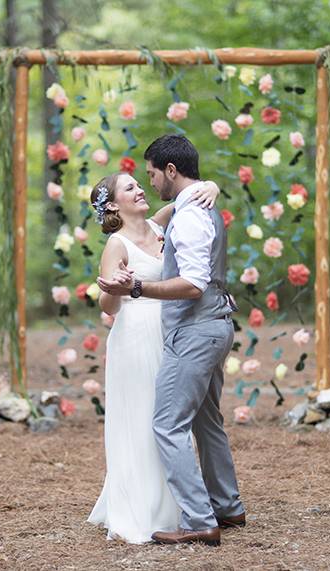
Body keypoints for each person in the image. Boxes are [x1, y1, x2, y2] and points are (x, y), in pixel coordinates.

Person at [97, 134, 245, 547]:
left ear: (171, 171)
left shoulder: (187, 214)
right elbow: (107, 303)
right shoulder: (185, 210)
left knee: (166, 422)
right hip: (189, 328)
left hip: (193, 328)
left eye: (149, 175)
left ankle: (200, 518)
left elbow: (194, 282)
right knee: (204, 419)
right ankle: (227, 506)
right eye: (132, 184)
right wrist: (206, 186)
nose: (146, 183)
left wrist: (138, 288)